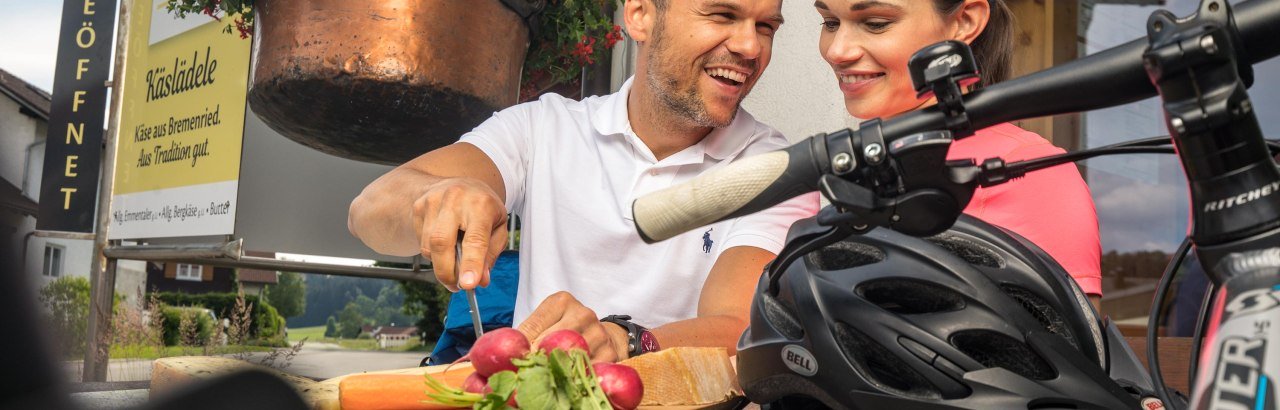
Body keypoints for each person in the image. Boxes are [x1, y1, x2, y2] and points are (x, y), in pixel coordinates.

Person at [348, 0, 818, 363]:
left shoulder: (775, 167)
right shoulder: (542, 127)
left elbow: (740, 328)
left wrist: (625, 341)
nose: (751, 47)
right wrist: (439, 197)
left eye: (765, 27)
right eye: (722, 14)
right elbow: (369, 213)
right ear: (640, 15)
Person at [813, 0, 1103, 301]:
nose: (837, 51)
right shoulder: (869, 161)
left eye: (875, 23)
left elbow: (1068, 343)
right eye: (831, 23)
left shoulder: (1032, 172)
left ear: (965, 21)